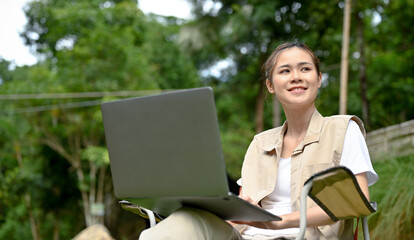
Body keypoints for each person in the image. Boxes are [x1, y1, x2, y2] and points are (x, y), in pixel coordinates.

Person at [139, 42, 378, 240]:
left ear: (319, 79)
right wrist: (228, 207)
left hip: (300, 236)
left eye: (305, 69)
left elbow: (356, 202)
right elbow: (244, 205)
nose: (296, 77)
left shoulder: (343, 129)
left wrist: (277, 223)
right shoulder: (260, 143)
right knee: (179, 223)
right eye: (285, 71)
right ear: (271, 85)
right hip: (244, 236)